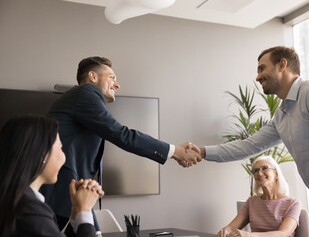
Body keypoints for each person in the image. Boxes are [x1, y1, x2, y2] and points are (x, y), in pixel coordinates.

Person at [188, 46, 309, 237]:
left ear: (282, 65)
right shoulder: (282, 115)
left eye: (262, 68)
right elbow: (249, 145)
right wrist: (202, 152)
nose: (258, 77)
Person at [40, 56, 201, 236]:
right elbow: (121, 134)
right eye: (111, 77)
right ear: (93, 77)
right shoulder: (86, 92)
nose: (117, 84)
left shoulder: (79, 98)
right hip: (61, 188)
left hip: (67, 188)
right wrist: (176, 151)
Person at [0, 115, 104, 236]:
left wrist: (76, 213)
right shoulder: (30, 210)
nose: (64, 159)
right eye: (60, 148)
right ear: (41, 154)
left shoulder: (14, 200)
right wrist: (84, 210)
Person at [217, 156, 300, 237]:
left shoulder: (293, 204)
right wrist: (225, 231)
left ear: (276, 174)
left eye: (264, 168)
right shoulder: (251, 202)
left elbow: (283, 234)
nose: (259, 173)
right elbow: (231, 227)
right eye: (255, 170)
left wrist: (249, 235)